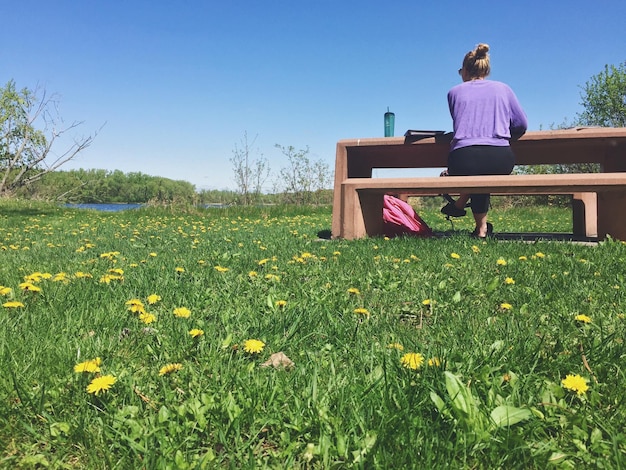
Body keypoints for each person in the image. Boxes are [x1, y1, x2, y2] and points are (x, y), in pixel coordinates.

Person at [441, 43, 528, 238]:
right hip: (499, 158)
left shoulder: (454, 92)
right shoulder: (503, 89)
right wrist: (502, 135)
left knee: (476, 171)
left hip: (462, 159)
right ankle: (480, 228)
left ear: (464, 70)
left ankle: (464, 210)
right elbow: (521, 124)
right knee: (483, 171)